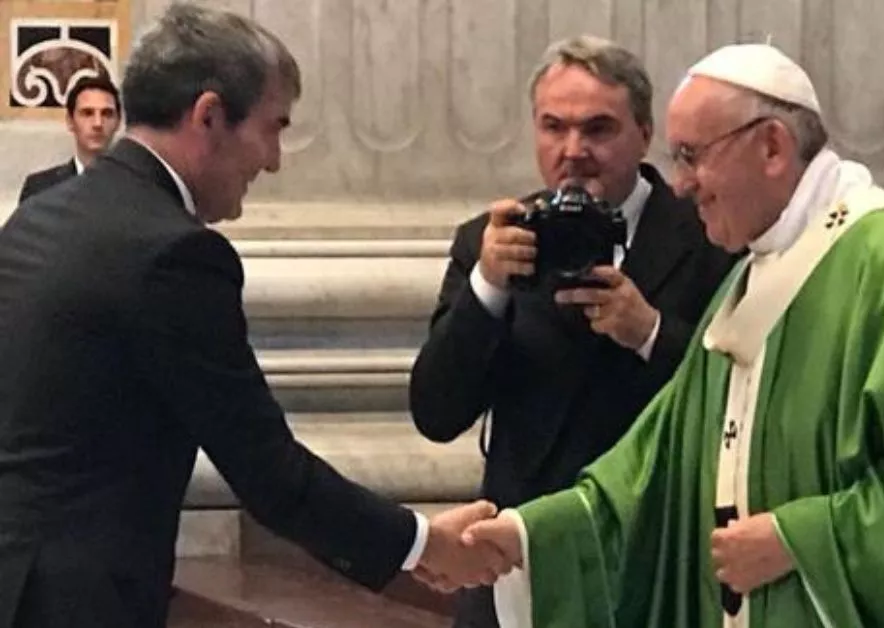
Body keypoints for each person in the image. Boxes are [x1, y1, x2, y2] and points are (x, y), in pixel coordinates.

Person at [461, 43, 884, 628]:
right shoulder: (756, 273)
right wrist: (531, 535)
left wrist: (795, 539)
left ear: (772, 146)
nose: (681, 184)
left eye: (693, 155)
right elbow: (662, 460)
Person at [0, 5, 506, 627]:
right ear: (210, 116)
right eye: (274, 127)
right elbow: (268, 474)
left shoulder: (40, 217)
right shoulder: (174, 253)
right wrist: (425, 544)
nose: (274, 160)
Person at [408, 35, 736, 628]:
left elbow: (740, 397)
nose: (573, 150)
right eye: (553, 127)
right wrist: (486, 289)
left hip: (654, 554)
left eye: (598, 129)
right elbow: (436, 412)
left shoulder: (709, 235)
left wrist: (651, 333)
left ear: (643, 133)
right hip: (519, 554)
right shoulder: (493, 238)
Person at [18, 76, 122, 202]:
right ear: (70, 121)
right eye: (87, 113)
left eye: (107, 114)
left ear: (118, 122)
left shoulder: (137, 187)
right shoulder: (39, 188)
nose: (98, 123)